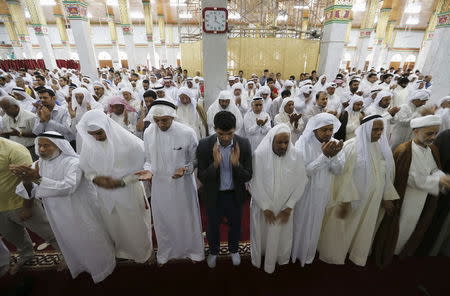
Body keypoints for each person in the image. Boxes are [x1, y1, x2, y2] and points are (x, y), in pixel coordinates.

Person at [11, 131, 116, 283]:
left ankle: (102, 267)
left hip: (80, 210)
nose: (41, 150)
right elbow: (26, 189)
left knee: (90, 237)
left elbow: (69, 187)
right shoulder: (38, 164)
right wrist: (26, 179)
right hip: (56, 213)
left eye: (46, 145)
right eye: (39, 145)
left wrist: (38, 179)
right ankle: (79, 263)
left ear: (59, 145)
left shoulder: (74, 162)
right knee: (69, 238)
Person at [319, 115, 399, 266]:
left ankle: (355, 254)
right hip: (351, 200)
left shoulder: (379, 148)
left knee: (363, 228)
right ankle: (334, 256)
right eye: (375, 129)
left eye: (381, 129)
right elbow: (342, 176)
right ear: (365, 129)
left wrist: (386, 196)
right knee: (343, 228)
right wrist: (344, 200)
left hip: (371, 201)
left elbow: (384, 174)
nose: (379, 133)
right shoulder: (351, 147)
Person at [77, 110, 153, 263]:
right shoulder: (90, 144)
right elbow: (87, 170)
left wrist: (122, 182)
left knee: (135, 224)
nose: (96, 137)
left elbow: (144, 168)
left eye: (99, 132)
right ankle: (123, 251)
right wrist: (96, 179)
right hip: (105, 193)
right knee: (114, 224)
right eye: (92, 134)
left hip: (129, 191)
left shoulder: (130, 143)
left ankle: (143, 252)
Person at [373, 115, 450, 267]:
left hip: (422, 198)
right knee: (397, 228)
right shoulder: (404, 150)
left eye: (435, 133)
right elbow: (408, 177)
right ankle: (388, 254)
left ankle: (400, 253)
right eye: (429, 133)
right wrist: (437, 181)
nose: (433, 137)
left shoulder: (432, 150)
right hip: (404, 198)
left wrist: (442, 176)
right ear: (415, 131)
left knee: (412, 228)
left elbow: (434, 168)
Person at [138, 99, 204, 265]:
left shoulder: (187, 132)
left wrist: (186, 170)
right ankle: (166, 252)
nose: (160, 124)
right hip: (160, 185)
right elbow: (148, 160)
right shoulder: (148, 133)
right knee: (163, 220)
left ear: (173, 117)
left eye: (164, 120)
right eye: (157, 120)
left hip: (184, 185)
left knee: (186, 218)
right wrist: (148, 171)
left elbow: (196, 160)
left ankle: (192, 251)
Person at [197, 111, 252, 268]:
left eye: (229, 133)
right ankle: (214, 251)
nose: (226, 138)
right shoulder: (205, 145)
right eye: (221, 134)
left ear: (235, 129)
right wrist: (215, 164)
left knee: (235, 225)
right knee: (212, 226)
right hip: (213, 196)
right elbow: (202, 177)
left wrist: (237, 165)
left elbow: (248, 176)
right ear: (215, 129)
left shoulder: (244, 144)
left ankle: (234, 250)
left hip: (235, 195)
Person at [250, 124, 307, 273]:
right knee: (262, 234)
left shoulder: (296, 156)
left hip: (284, 208)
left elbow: (301, 181)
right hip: (263, 207)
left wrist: (290, 206)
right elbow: (254, 182)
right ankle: (260, 258)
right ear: (271, 141)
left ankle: (279, 259)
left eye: (286, 142)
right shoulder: (259, 155)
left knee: (281, 236)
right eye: (279, 142)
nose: (283, 146)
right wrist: (265, 206)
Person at [0, 137, 60, 275]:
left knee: (50, 234)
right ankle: (27, 255)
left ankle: (69, 257)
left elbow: (30, 180)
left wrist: (27, 207)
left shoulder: (13, 149)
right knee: (14, 237)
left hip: (20, 203)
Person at [291, 113, 344, 267]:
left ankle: (307, 254)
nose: (328, 133)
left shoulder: (335, 143)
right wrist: (324, 156)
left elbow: (338, 170)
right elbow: (304, 172)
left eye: (331, 129)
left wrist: (333, 156)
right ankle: (294, 253)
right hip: (304, 192)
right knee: (300, 222)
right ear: (314, 130)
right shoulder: (303, 143)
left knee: (315, 223)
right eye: (324, 130)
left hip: (322, 192)